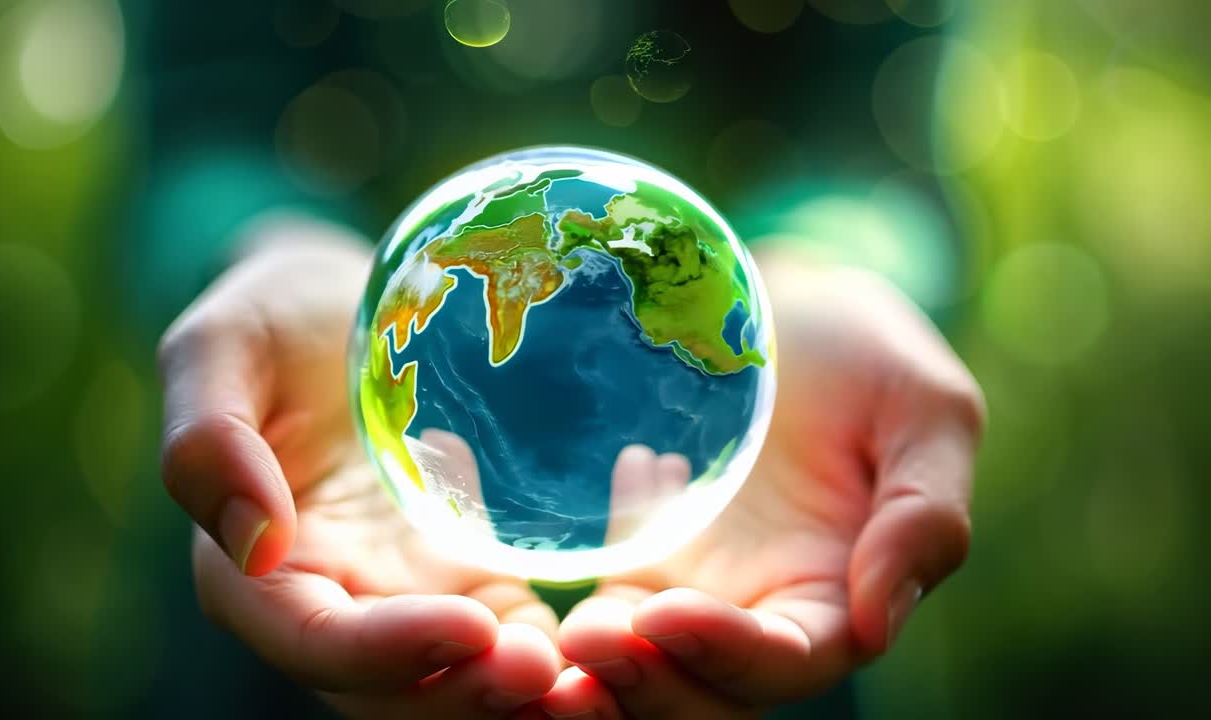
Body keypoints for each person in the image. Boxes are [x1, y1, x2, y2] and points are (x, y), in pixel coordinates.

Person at [143, 2, 983, 718]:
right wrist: (268, 247)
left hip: (775, 571)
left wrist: (829, 263)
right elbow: (197, 138)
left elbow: (880, 144)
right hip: (302, 529)